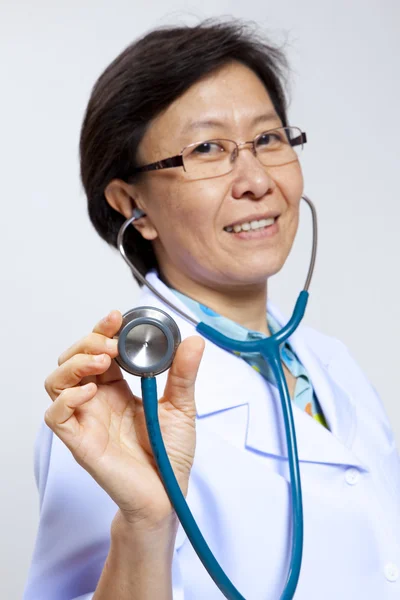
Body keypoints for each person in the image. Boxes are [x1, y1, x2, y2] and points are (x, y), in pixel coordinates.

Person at [23, 19, 400, 600]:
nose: (256, 180)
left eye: (269, 140)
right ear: (133, 205)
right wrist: (145, 524)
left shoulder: (332, 366)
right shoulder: (113, 399)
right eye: (206, 149)